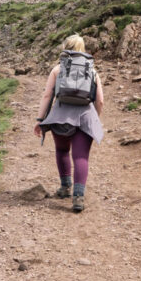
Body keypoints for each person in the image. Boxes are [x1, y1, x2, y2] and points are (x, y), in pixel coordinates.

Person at [33, 34, 104, 212]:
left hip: (60, 117)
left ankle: (65, 188)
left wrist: (40, 120)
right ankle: (78, 198)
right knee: (81, 157)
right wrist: (94, 118)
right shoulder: (93, 71)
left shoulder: (58, 69)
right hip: (85, 117)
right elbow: (100, 101)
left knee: (62, 150)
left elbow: (47, 96)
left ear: (65, 47)